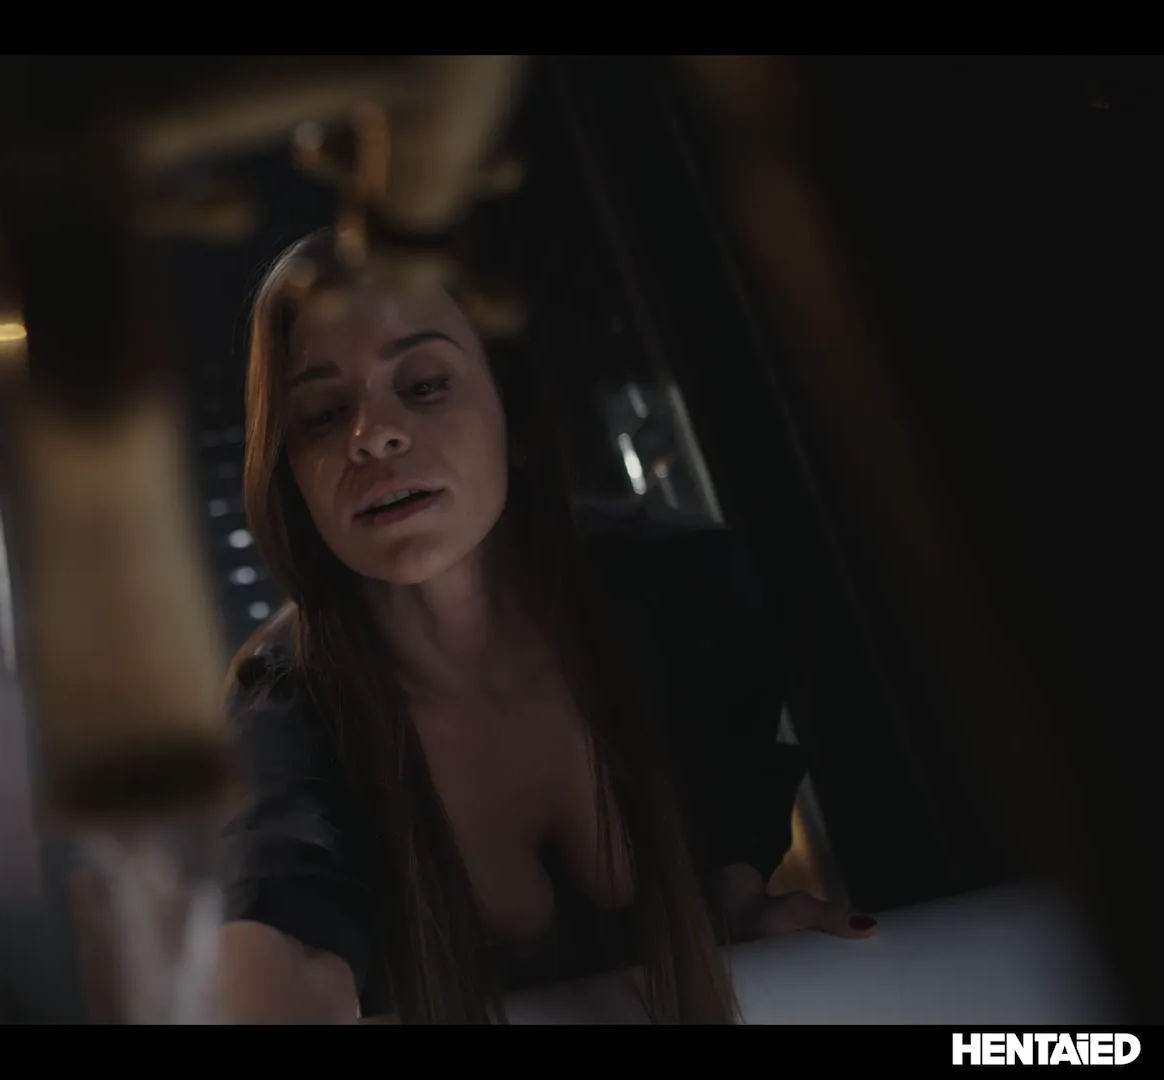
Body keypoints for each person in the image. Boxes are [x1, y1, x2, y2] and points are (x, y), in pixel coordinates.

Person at [213, 228, 877, 1025]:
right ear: (289, 473)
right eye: (322, 415)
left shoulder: (685, 586)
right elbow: (284, 923)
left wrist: (743, 913)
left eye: (423, 385)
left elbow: (734, 818)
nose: (372, 436)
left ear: (512, 411)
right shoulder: (288, 700)